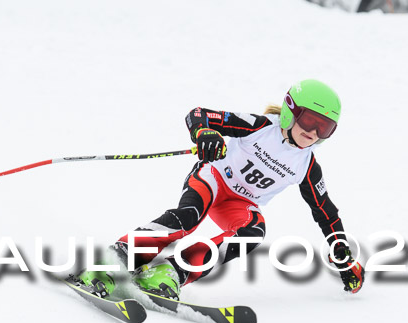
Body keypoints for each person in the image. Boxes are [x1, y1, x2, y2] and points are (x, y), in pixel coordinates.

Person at [79, 79, 365, 299]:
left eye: (325, 128)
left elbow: (324, 210)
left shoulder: (306, 165)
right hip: (213, 179)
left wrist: (341, 250)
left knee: (252, 233)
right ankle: (112, 261)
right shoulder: (260, 126)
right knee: (188, 217)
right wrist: (205, 133)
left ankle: (170, 272)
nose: (313, 133)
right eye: (309, 120)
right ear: (290, 111)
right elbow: (199, 114)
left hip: (238, 205)